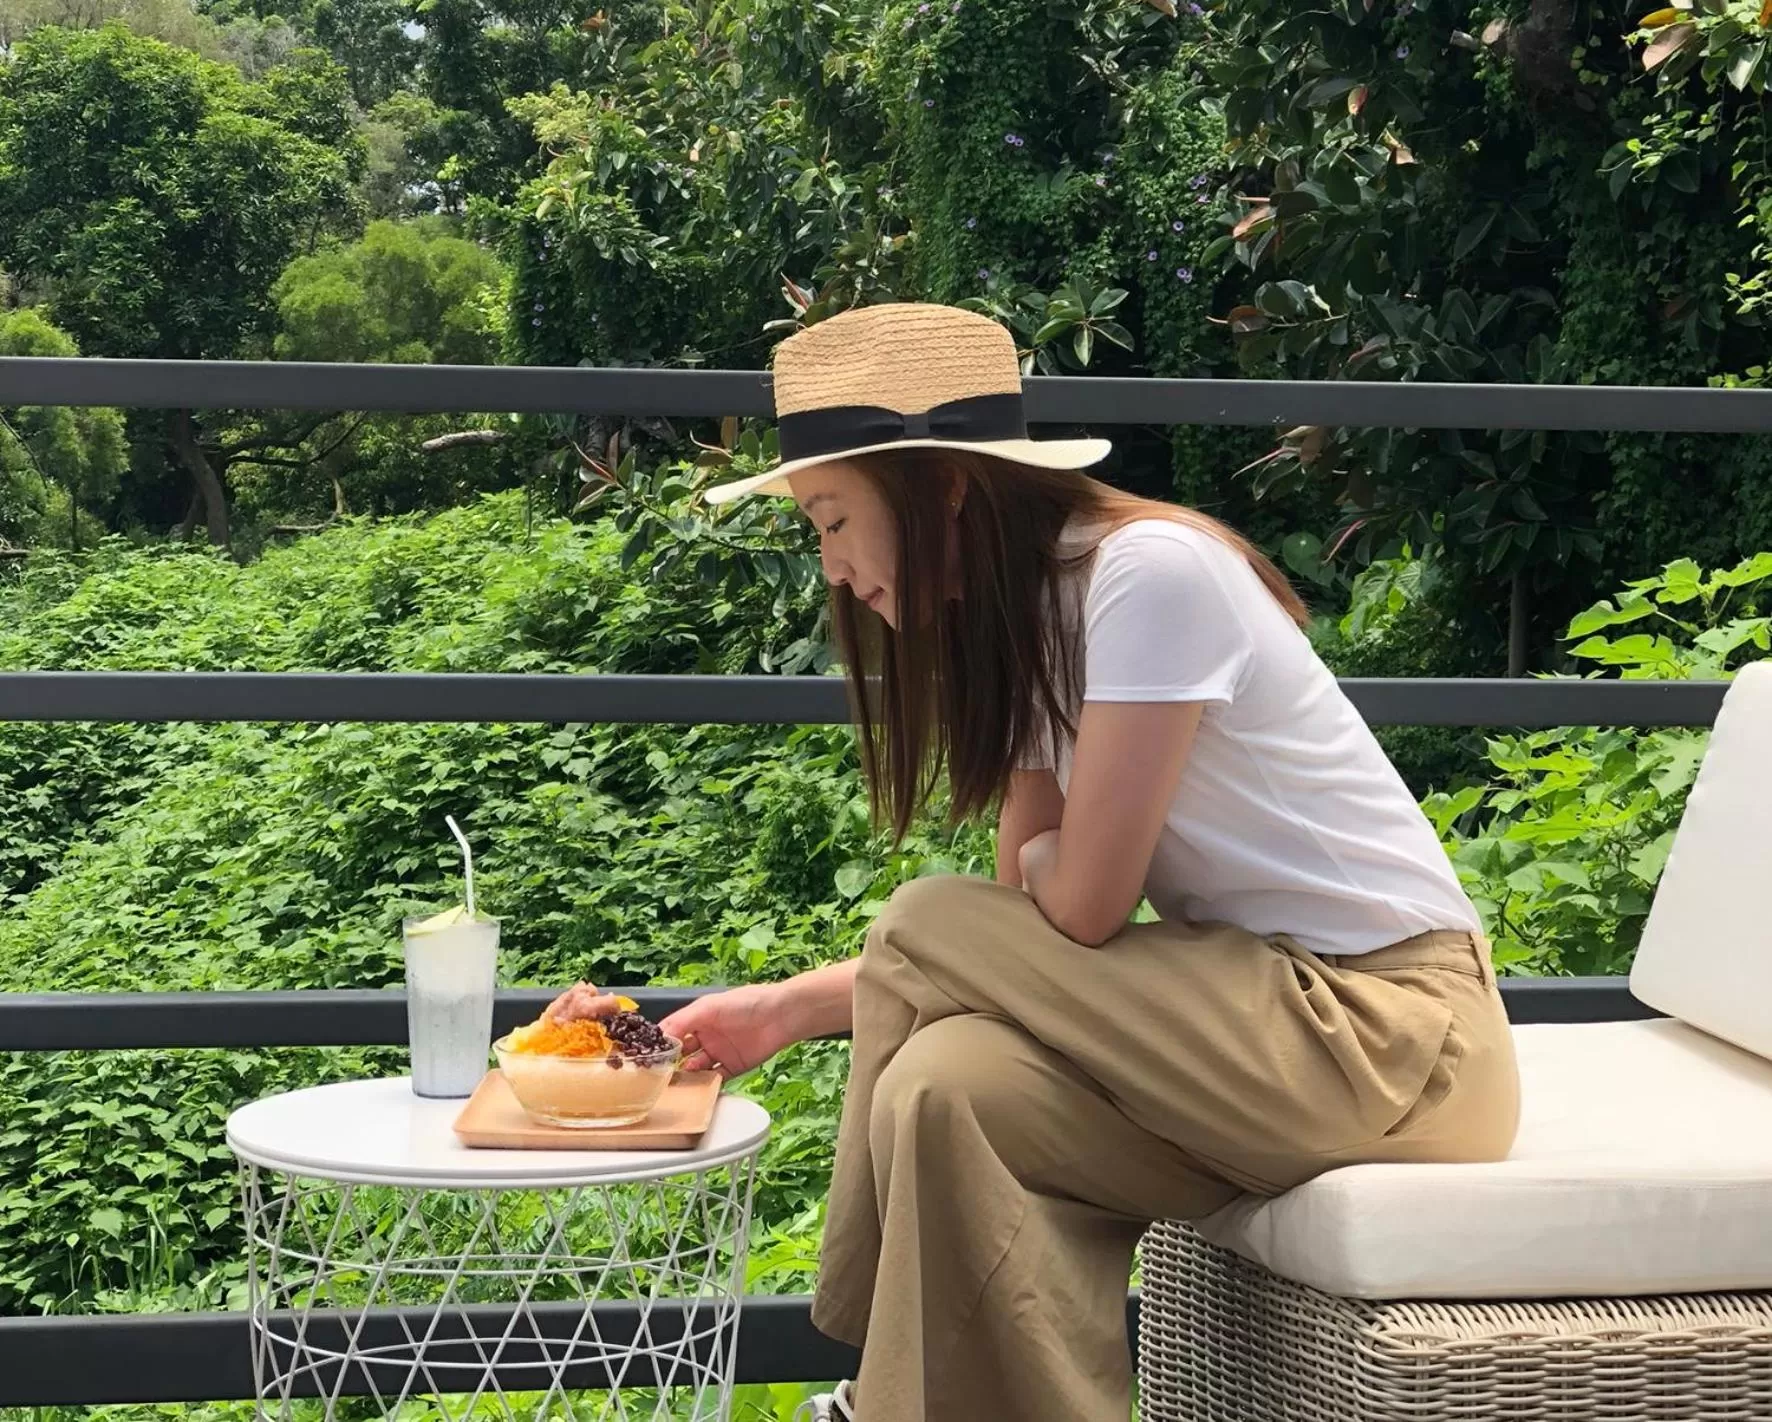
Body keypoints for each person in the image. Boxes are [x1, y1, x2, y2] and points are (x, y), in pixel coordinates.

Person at [657, 303, 1520, 1422]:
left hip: (1394, 1037)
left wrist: (1054, 870)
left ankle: (870, 1395)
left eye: (830, 518)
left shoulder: (1149, 574)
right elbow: (1031, 909)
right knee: (945, 1088)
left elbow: (1077, 912)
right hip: (1237, 1023)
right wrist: (777, 1009)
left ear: (945, 488)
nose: (829, 566)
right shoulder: (1031, 627)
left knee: (922, 915)